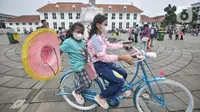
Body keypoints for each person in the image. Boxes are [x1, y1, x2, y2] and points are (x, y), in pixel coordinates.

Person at [87, 15, 133, 109]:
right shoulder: (95, 39)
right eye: (105, 24)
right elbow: (103, 58)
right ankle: (100, 97)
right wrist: (121, 57)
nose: (107, 26)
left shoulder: (100, 36)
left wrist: (123, 45)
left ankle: (115, 91)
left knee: (123, 73)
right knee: (119, 82)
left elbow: (109, 45)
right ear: (98, 25)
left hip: (104, 63)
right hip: (99, 65)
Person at [60, 22, 92, 105]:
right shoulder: (68, 42)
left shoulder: (81, 41)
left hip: (86, 64)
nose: (80, 34)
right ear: (72, 32)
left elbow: (86, 50)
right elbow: (58, 51)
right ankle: (76, 92)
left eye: (81, 32)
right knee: (87, 83)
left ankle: (80, 87)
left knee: (92, 76)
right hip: (78, 66)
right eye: (78, 32)